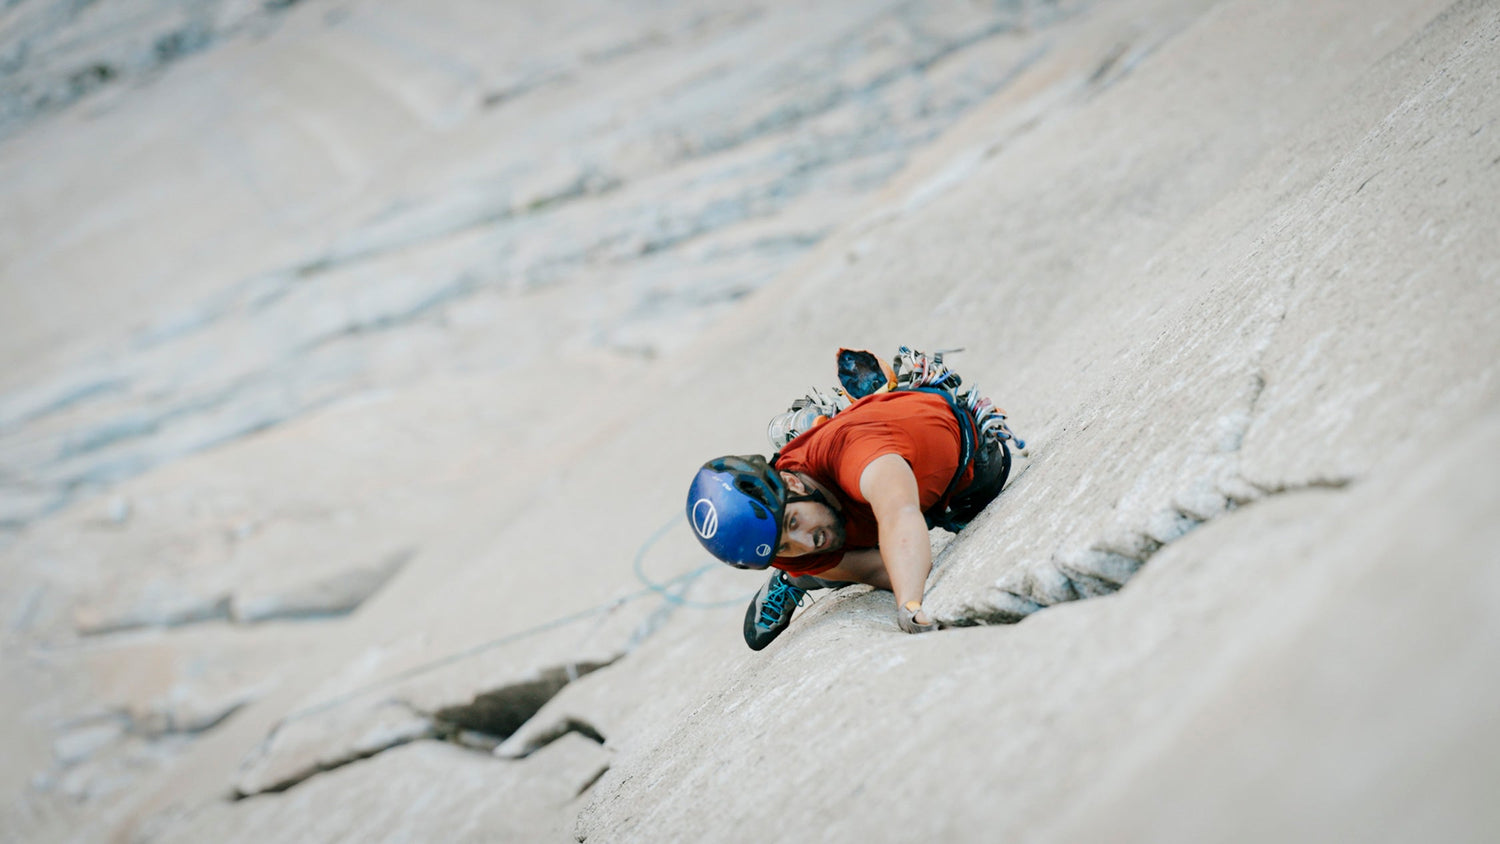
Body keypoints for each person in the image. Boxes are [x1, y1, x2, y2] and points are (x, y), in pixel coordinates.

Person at [687, 389, 1011, 650]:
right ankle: (797, 577)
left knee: (972, 490)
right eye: (785, 546)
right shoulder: (786, 543)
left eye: (793, 523)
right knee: (841, 554)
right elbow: (878, 568)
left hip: (965, 459)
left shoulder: (854, 448)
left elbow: (900, 513)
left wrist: (910, 602)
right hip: (860, 503)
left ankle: (824, 418)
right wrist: (905, 581)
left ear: (792, 483)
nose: (806, 542)